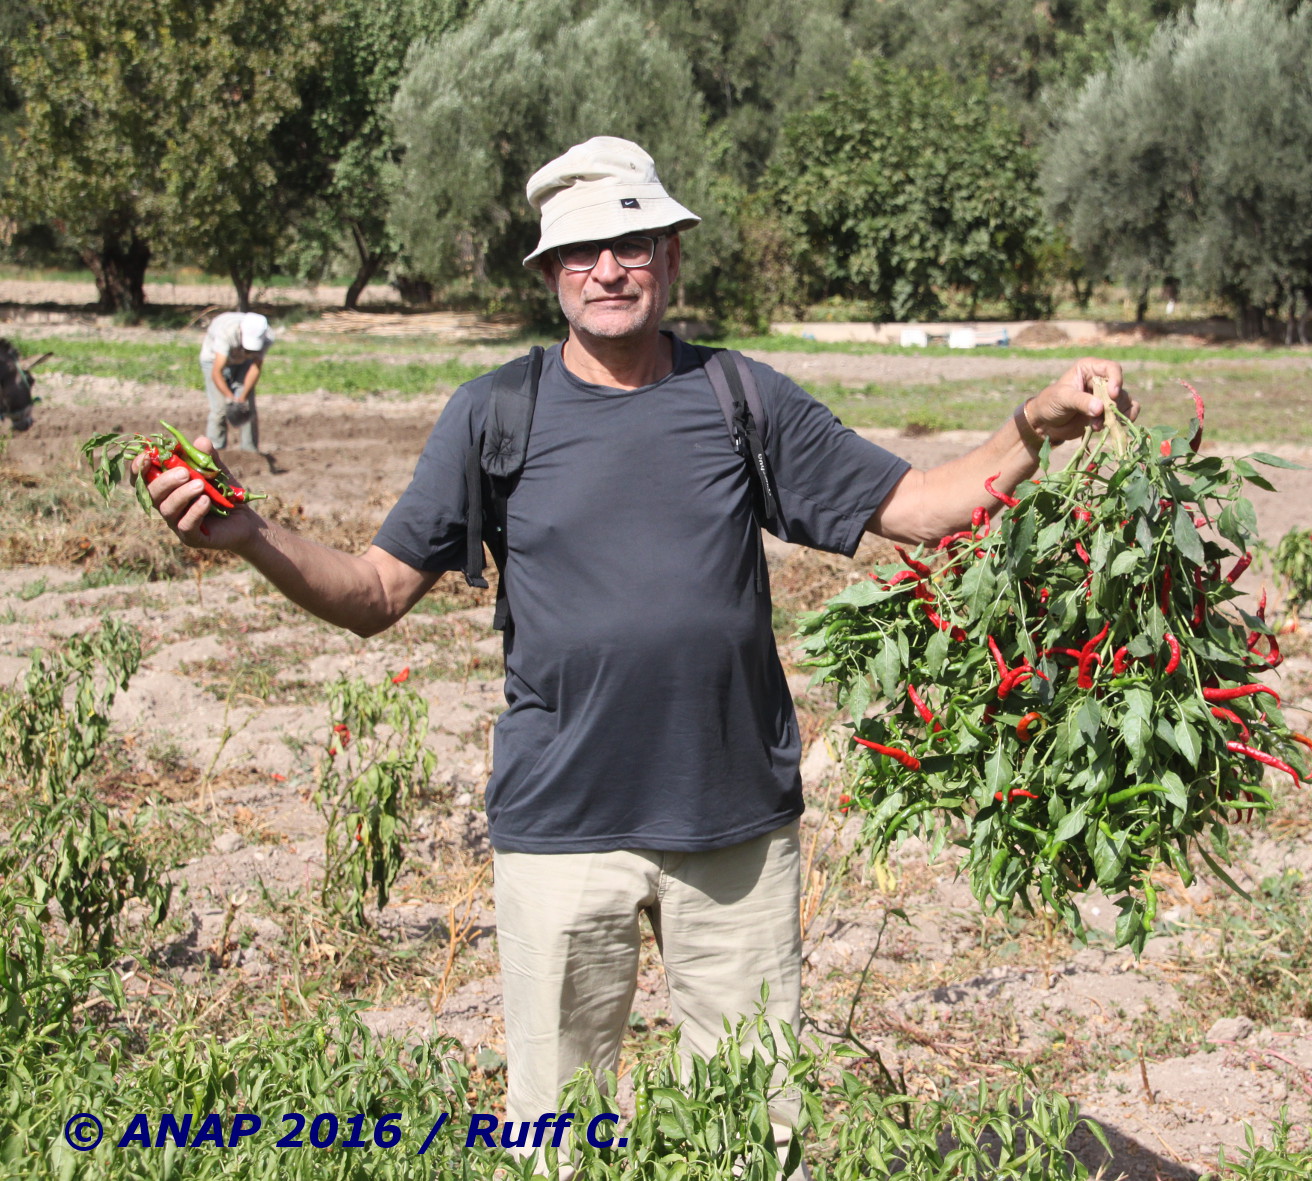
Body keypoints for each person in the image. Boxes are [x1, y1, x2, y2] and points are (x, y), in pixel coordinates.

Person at [141, 136, 1135, 1173]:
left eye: (632, 243)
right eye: (581, 251)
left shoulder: (738, 396)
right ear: (546, 274)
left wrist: (1036, 422)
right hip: (562, 830)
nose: (607, 269)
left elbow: (920, 507)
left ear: (669, 257)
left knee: (753, 1136)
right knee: (554, 1140)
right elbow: (375, 592)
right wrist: (250, 535)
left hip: (734, 830)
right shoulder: (494, 413)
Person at [198, 310, 273, 453]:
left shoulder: (267, 337)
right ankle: (214, 449)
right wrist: (229, 397)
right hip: (213, 360)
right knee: (219, 409)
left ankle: (250, 449)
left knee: (246, 406)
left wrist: (242, 397)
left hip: (244, 361)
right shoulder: (226, 332)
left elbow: (255, 368)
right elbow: (217, 372)